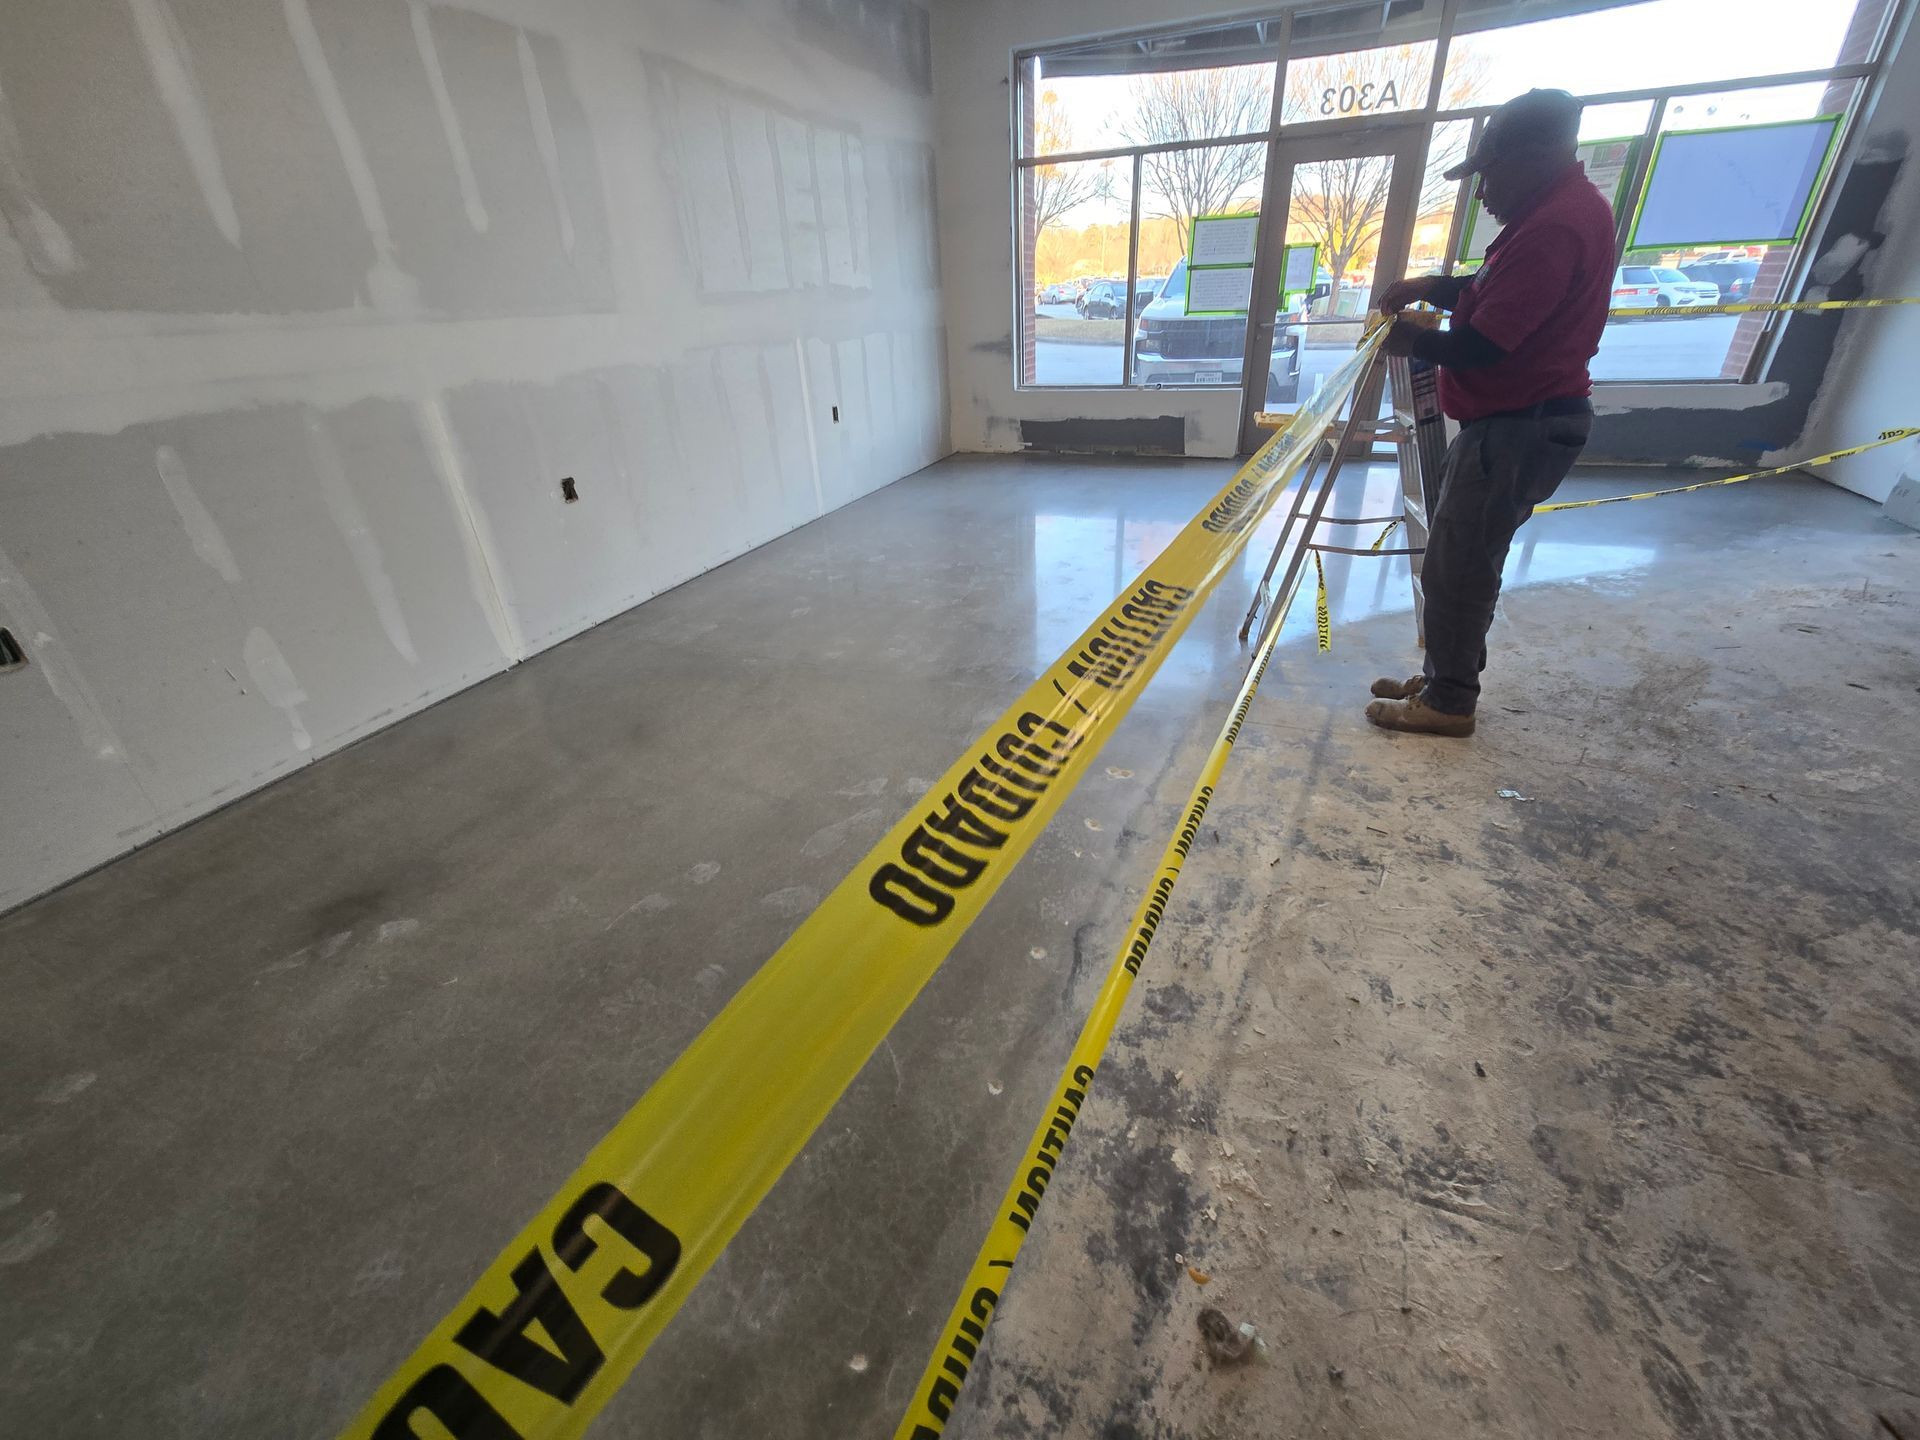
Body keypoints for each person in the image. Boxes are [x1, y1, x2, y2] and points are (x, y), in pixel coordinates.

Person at [1367, 89, 1616, 737]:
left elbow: (1483, 346)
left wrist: (1408, 340)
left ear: (1533, 157)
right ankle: (1445, 678)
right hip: (1510, 423)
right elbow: (1492, 295)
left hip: (1517, 427)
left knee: (1459, 568)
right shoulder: (1553, 214)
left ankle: (1449, 702)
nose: (1482, 192)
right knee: (1458, 560)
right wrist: (1435, 288)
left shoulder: (1553, 228)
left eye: (1489, 173)